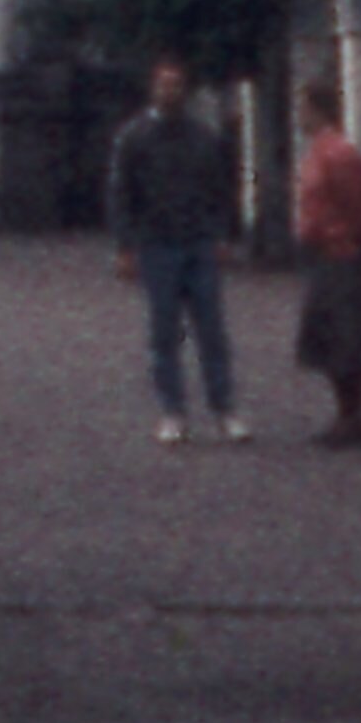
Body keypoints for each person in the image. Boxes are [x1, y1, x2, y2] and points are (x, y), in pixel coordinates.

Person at [106, 54, 246, 445]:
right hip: (156, 244)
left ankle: (224, 408)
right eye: (164, 84)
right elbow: (121, 194)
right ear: (153, 88)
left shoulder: (203, 136)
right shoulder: (133, 138)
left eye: (177, 85)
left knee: (212, 330)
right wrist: (125, 246)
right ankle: (173, 411)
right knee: (164, 332)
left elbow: (221, 189)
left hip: (199, 241)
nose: (171, 92)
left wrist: (223, 235)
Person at [291, 74, 361, 447]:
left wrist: (351, 237)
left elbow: (357, 203)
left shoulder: (338, 154)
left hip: (341, 252)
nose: (299, 115)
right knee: (330, 336)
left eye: (303, 108)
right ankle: (345, 414)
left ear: (318, 110)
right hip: (322, 252)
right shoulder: (317, 151)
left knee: (347, 337)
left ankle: (352, 415)